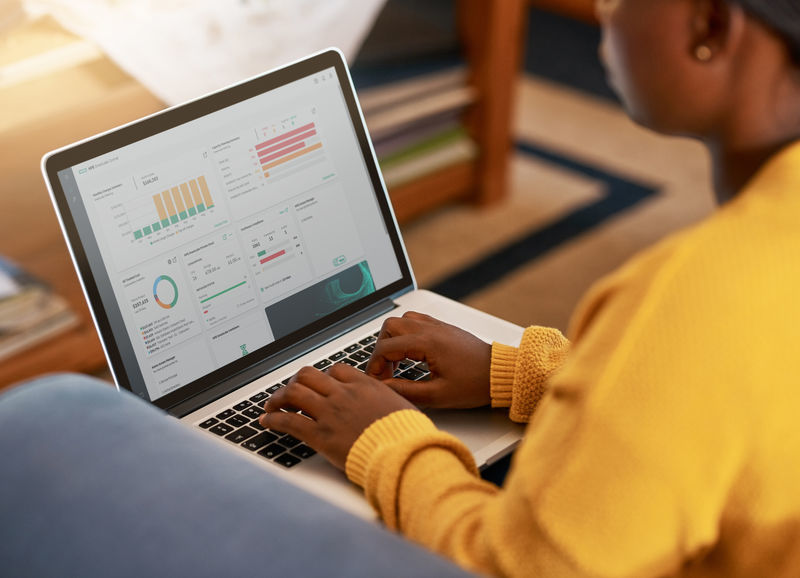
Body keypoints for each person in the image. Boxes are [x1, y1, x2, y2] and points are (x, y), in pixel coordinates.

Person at [256, 0, 800, 576]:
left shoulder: (689, 297)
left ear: (709, 27)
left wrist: (384, 442)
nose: (601, 11)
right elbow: (732, 396)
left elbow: (515, 567)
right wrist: (523, 374)